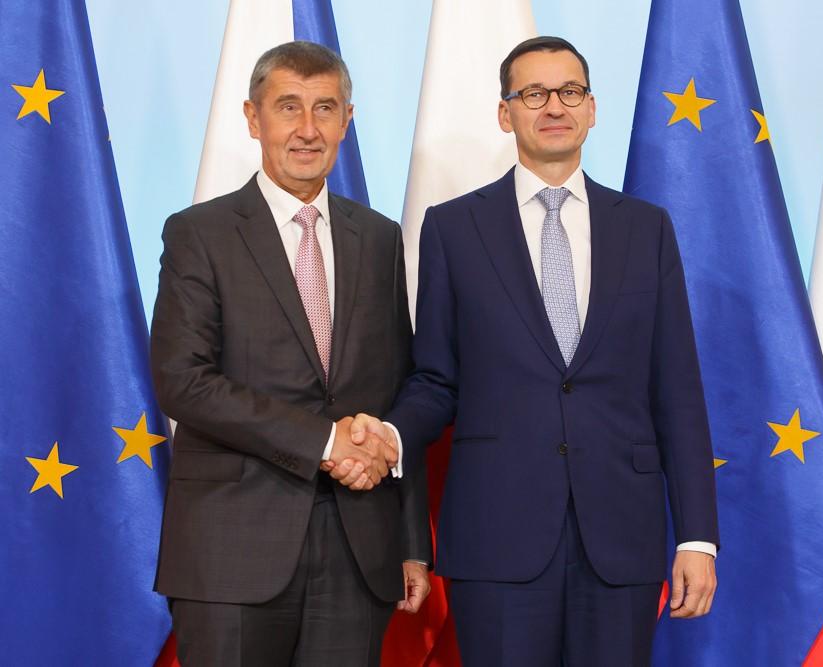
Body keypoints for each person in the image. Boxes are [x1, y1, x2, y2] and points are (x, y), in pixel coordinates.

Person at [354, 36, 720, 666]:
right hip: (498, 535)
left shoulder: (647, 228)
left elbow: (677, 391)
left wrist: (697, 537)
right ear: (506, 113)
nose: (554, 106)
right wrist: (389, 435)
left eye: (570, 91)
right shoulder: (453, 228)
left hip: (621, 536)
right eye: (533, 93)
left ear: (592, 109)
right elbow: (436, 379)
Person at [149, 41, 431, 666]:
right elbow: (183, 381)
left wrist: (411, 542)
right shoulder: (198, 233)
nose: (308, 129)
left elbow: (397, 390)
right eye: (288, 107)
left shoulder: (380, 238)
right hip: (232, 549)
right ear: (253, 118)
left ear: (346, 121)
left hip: (359, 551)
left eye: (325, 108)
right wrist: (325, 443)